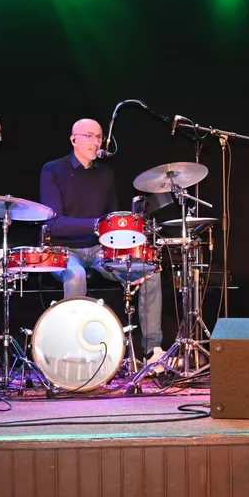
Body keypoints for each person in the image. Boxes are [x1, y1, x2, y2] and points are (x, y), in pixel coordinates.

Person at [40, 118, 164, 363]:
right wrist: (97, 224)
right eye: (89, 136)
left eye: (99, 137)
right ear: (73, 139)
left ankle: (153, 350)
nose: (96, 142)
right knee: (76, 276)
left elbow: (112, 218)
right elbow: (53, 223)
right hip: (63, 250)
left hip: (99, 250)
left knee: (149, 273)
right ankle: (72, 349)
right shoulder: (53, 170)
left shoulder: (106, 174)